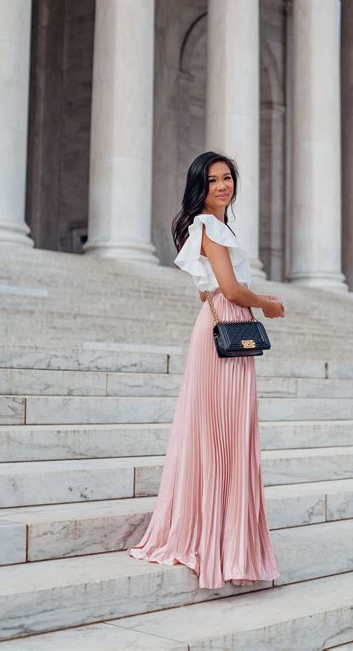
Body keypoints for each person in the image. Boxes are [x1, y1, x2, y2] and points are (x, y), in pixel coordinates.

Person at [128, 151, 285, 589]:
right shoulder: (210, 226)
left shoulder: (211, 227)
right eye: (213, 179)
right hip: (226, 328)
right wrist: (268, 304)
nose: (222, 185)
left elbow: (210, 292)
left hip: (219, 325)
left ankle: (216, 537)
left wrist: (239, 298)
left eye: (228, 177)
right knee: (223, 436)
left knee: (220, 434)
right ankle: (218, 543)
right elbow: (232, 289)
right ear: (200, 186)